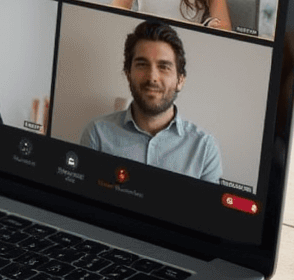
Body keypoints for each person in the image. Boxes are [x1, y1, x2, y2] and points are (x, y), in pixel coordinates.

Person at [80, 21, 222, 182]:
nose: (152, 77)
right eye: (142, 65)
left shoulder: (204, 148)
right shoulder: (97, 133)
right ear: (128, 74)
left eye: (164, 67)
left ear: (180, 80)